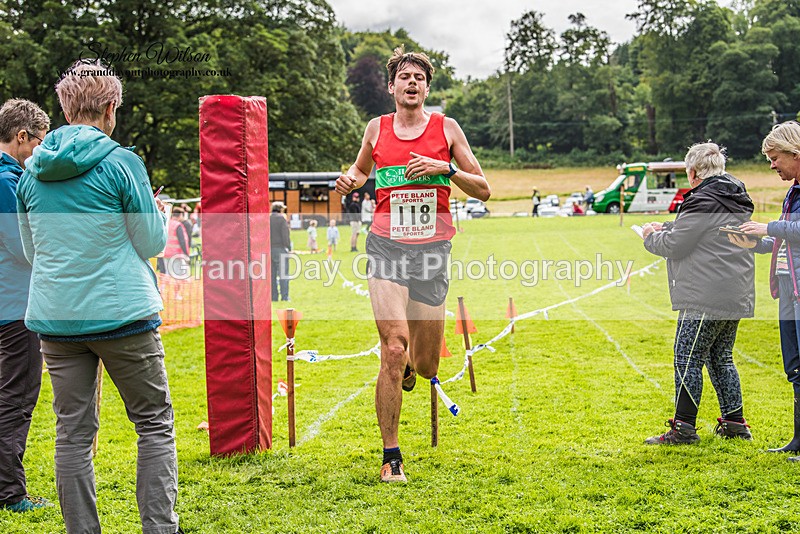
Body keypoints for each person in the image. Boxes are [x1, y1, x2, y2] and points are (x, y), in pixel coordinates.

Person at [15, 60, 181, 534]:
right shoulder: (122, 163)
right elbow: (151, 242)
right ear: (111, 109)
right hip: (122, 314)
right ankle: (159, 527)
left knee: (71, 434)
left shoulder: (31, 173)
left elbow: (33, 251)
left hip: (57, 318)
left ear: (65, 109)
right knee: (152, 425)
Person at [335, 46, 490, 482]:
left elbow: (483, 189)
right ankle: (392, 457)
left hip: (432, 254)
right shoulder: (376, 128)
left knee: (425, 365)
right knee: (393, 345)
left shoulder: (447, 128)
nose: (412, 83)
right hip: (386, 248)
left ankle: (409, 367)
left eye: (419, 78)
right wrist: (351, 180)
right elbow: (361, 171)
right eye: (405, 77)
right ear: (391, 86)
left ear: (427, 86)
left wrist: (444, 168)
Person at [641, 142, 754, 445]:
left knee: (686, 358)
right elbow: (707, 234)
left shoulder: (701, 199)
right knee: (721, 357)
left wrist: (651, 238)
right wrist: (668, 225)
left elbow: (677, 245)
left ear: (692, 172)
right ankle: (734, 422)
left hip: (706, 292)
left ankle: (684, 428)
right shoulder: (734, 195)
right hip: (736, 289)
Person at [733, 121, 800, 459]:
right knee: (795, 365)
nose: (772, 165)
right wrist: (755, 242)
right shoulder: (794, 191)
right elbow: (785, 239)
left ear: (794, 153)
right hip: (789, 288)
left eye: (775, 158)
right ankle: (798, 440)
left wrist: (769, 226)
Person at [0, 98, 51, 513]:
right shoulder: (8, 180)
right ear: (21, 137)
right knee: (15, 400)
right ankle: (10, 492)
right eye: (40, 142)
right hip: (15, 307)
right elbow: (23, 249)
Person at [270, 201, 291, 301]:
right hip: (281, 249)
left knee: (272, 276)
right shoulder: (282, 218)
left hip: (269, 249)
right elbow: (285, 235)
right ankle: (285, 297)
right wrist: (288, 248)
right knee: (283, 274)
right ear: (280, 209)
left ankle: (274, 297)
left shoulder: (267, 218)